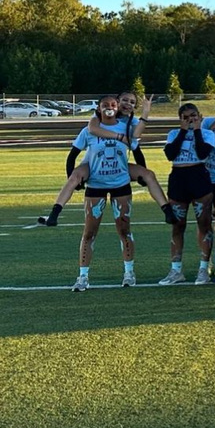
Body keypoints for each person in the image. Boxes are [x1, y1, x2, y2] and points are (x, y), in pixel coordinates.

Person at [41, 91, 176, 227]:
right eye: (124, 100)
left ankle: (167, 211)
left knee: (149, 175)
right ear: (117, 101)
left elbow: (136, 141)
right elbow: (92, 129)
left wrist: (145, 113)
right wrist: (119, 137)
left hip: (118, 166)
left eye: (132, 102)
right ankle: (55, 213)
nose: (127, 104)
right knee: (75, 177)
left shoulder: (130, 123)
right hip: (93, 164)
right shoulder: (100, 116)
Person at [70, 95, 136, 291]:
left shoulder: (125, 127)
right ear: (98, 108)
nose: (109, 108)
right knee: (89, 231)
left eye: (113, 105)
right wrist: (74, 180)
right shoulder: (89, 129)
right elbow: (72, 155)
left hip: (120, 184)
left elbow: (136, 149)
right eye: (105, 105)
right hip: (96, 185)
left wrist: (140, 171)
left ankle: (129, 273)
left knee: (124, 230)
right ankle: (83, 276)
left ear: (117, 108)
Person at [159, 102, 215, 285]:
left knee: (204, 224)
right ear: (179, 120)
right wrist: (184, 131)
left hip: (198, 177)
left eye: (193, 115)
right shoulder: (174, 134)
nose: (190, 119)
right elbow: (170, 154)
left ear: (199, 116)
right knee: (177, 225)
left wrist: (197, 130)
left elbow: (202, 153)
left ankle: (203, 268)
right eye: (185, 117)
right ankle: (176, 270)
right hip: (178, 178)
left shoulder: (208, 134)